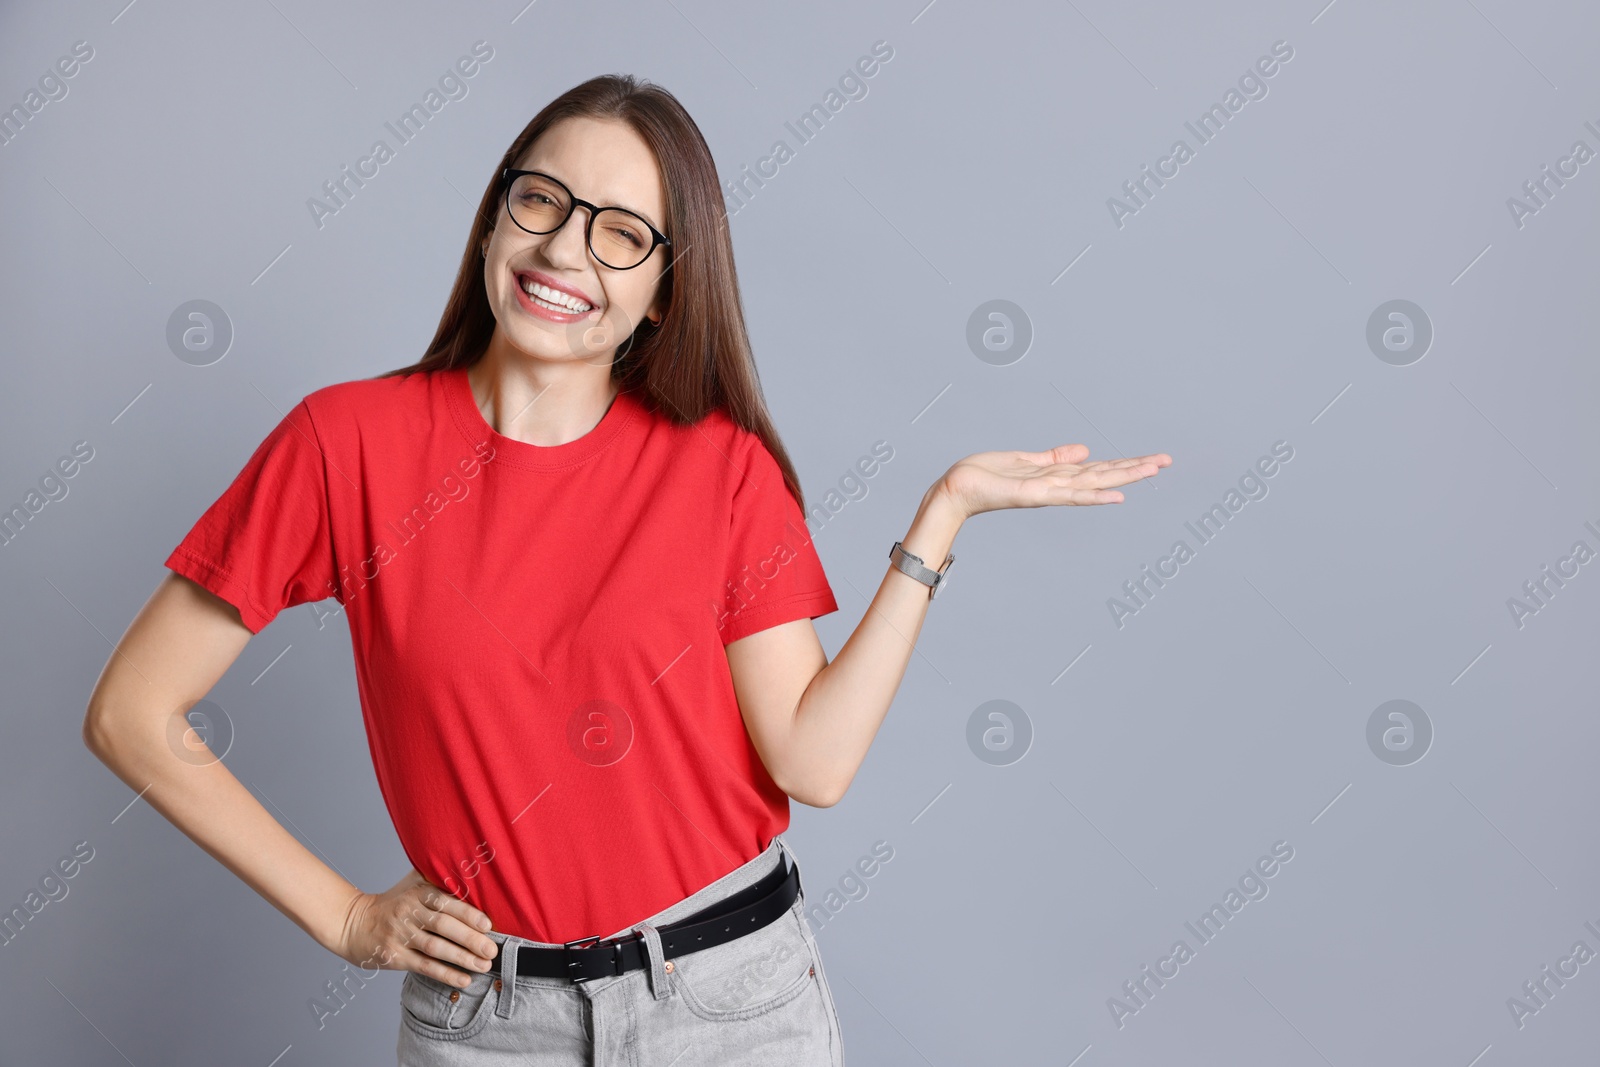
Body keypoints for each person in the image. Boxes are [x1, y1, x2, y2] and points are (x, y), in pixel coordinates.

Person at [82, 74, 1170, 1065]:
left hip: (730, 1008)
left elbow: (814, 759)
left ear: (660, 292)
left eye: (620, 234)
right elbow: (132, 711)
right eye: (542, 202)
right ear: (495, 217)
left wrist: (940, 519)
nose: (565, 253)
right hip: (483, 1025)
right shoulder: (344, 445)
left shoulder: (719, 469)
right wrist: (346, 916)